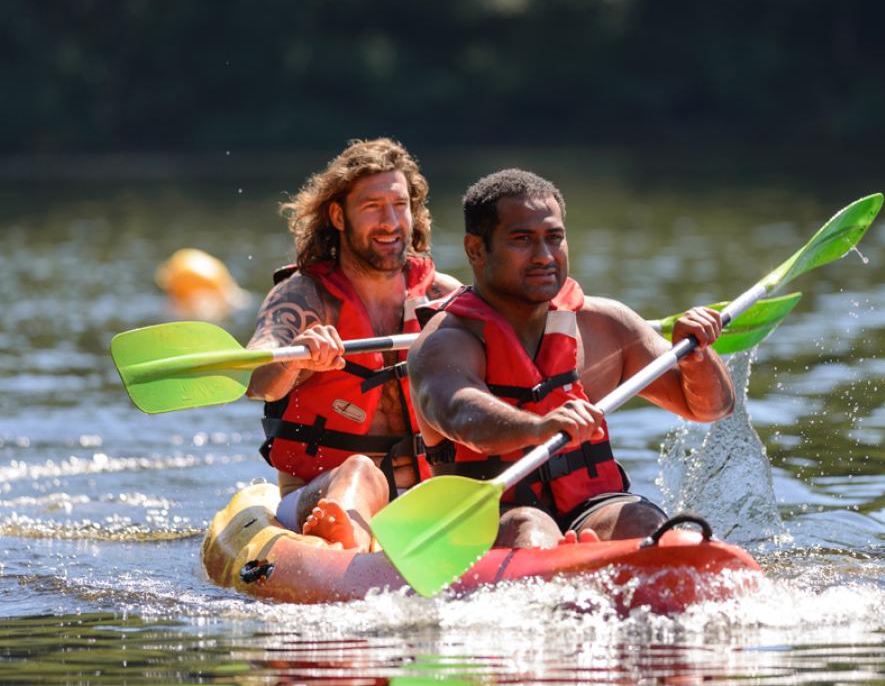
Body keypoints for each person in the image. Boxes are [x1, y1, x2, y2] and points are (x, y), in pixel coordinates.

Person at [408, 169, 735, 548]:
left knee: (645, 521)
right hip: (491, 517)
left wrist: (698, 358)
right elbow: (461, 414)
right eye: (522, 240)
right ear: (476, 250)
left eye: (554, 238)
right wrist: (536, 426)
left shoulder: (606, 325)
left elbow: (712, 408)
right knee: (531, 528)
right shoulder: (446, 341)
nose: (544, 256)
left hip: (589, 506)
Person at [246, 138, 459, 549]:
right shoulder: (304, 297)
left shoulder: (443, 298)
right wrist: (297, 360)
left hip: (424, 496)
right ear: (338, 217)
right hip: (318, 491)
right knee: (360, 472)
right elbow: (259, 379)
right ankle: (344, 547)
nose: (390, 222)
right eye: (372, 207)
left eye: (400, 206)